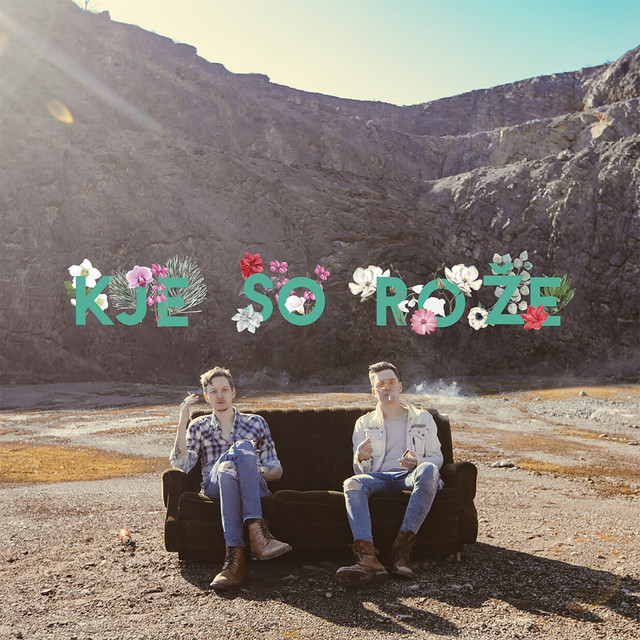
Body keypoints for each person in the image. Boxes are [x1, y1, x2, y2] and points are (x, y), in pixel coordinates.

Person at [170, 366, 292, 590]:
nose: (220, 396)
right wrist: (182, 423)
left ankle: (234, 563)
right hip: (214, 487)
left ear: (233, 392)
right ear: (206, 397)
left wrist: (247, 471)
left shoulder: (256, 423)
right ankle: (258, 536)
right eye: (213, 391)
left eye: (224, 390)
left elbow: (276, 471)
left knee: (230, 466)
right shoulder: (199, 426)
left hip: (254, 486)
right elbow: (181, 464)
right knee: (232, 460)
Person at [336, 361, 443, 584]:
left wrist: (417, 461)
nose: (387, 388)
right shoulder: (364, 423)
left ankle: (400, 553)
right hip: (379, 477)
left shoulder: (423, 418)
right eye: (380, 384)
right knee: (352, 483)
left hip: (411, 475)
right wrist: (361, 458)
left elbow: (437, 458)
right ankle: (367, 558)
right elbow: (359, 470)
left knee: (429, 468)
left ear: (400, 386)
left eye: (391, 382)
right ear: (373, 391)